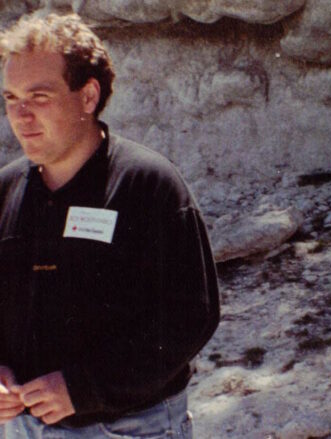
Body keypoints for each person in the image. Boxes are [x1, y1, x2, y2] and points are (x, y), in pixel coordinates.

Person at [0, 12, 220, 438]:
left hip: (130, 428)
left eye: (39, 97)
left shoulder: (148, 185)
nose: (21, 115)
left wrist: (85, 388)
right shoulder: (4, 190)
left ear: (88, 96)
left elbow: (192, 315)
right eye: (11, 98)